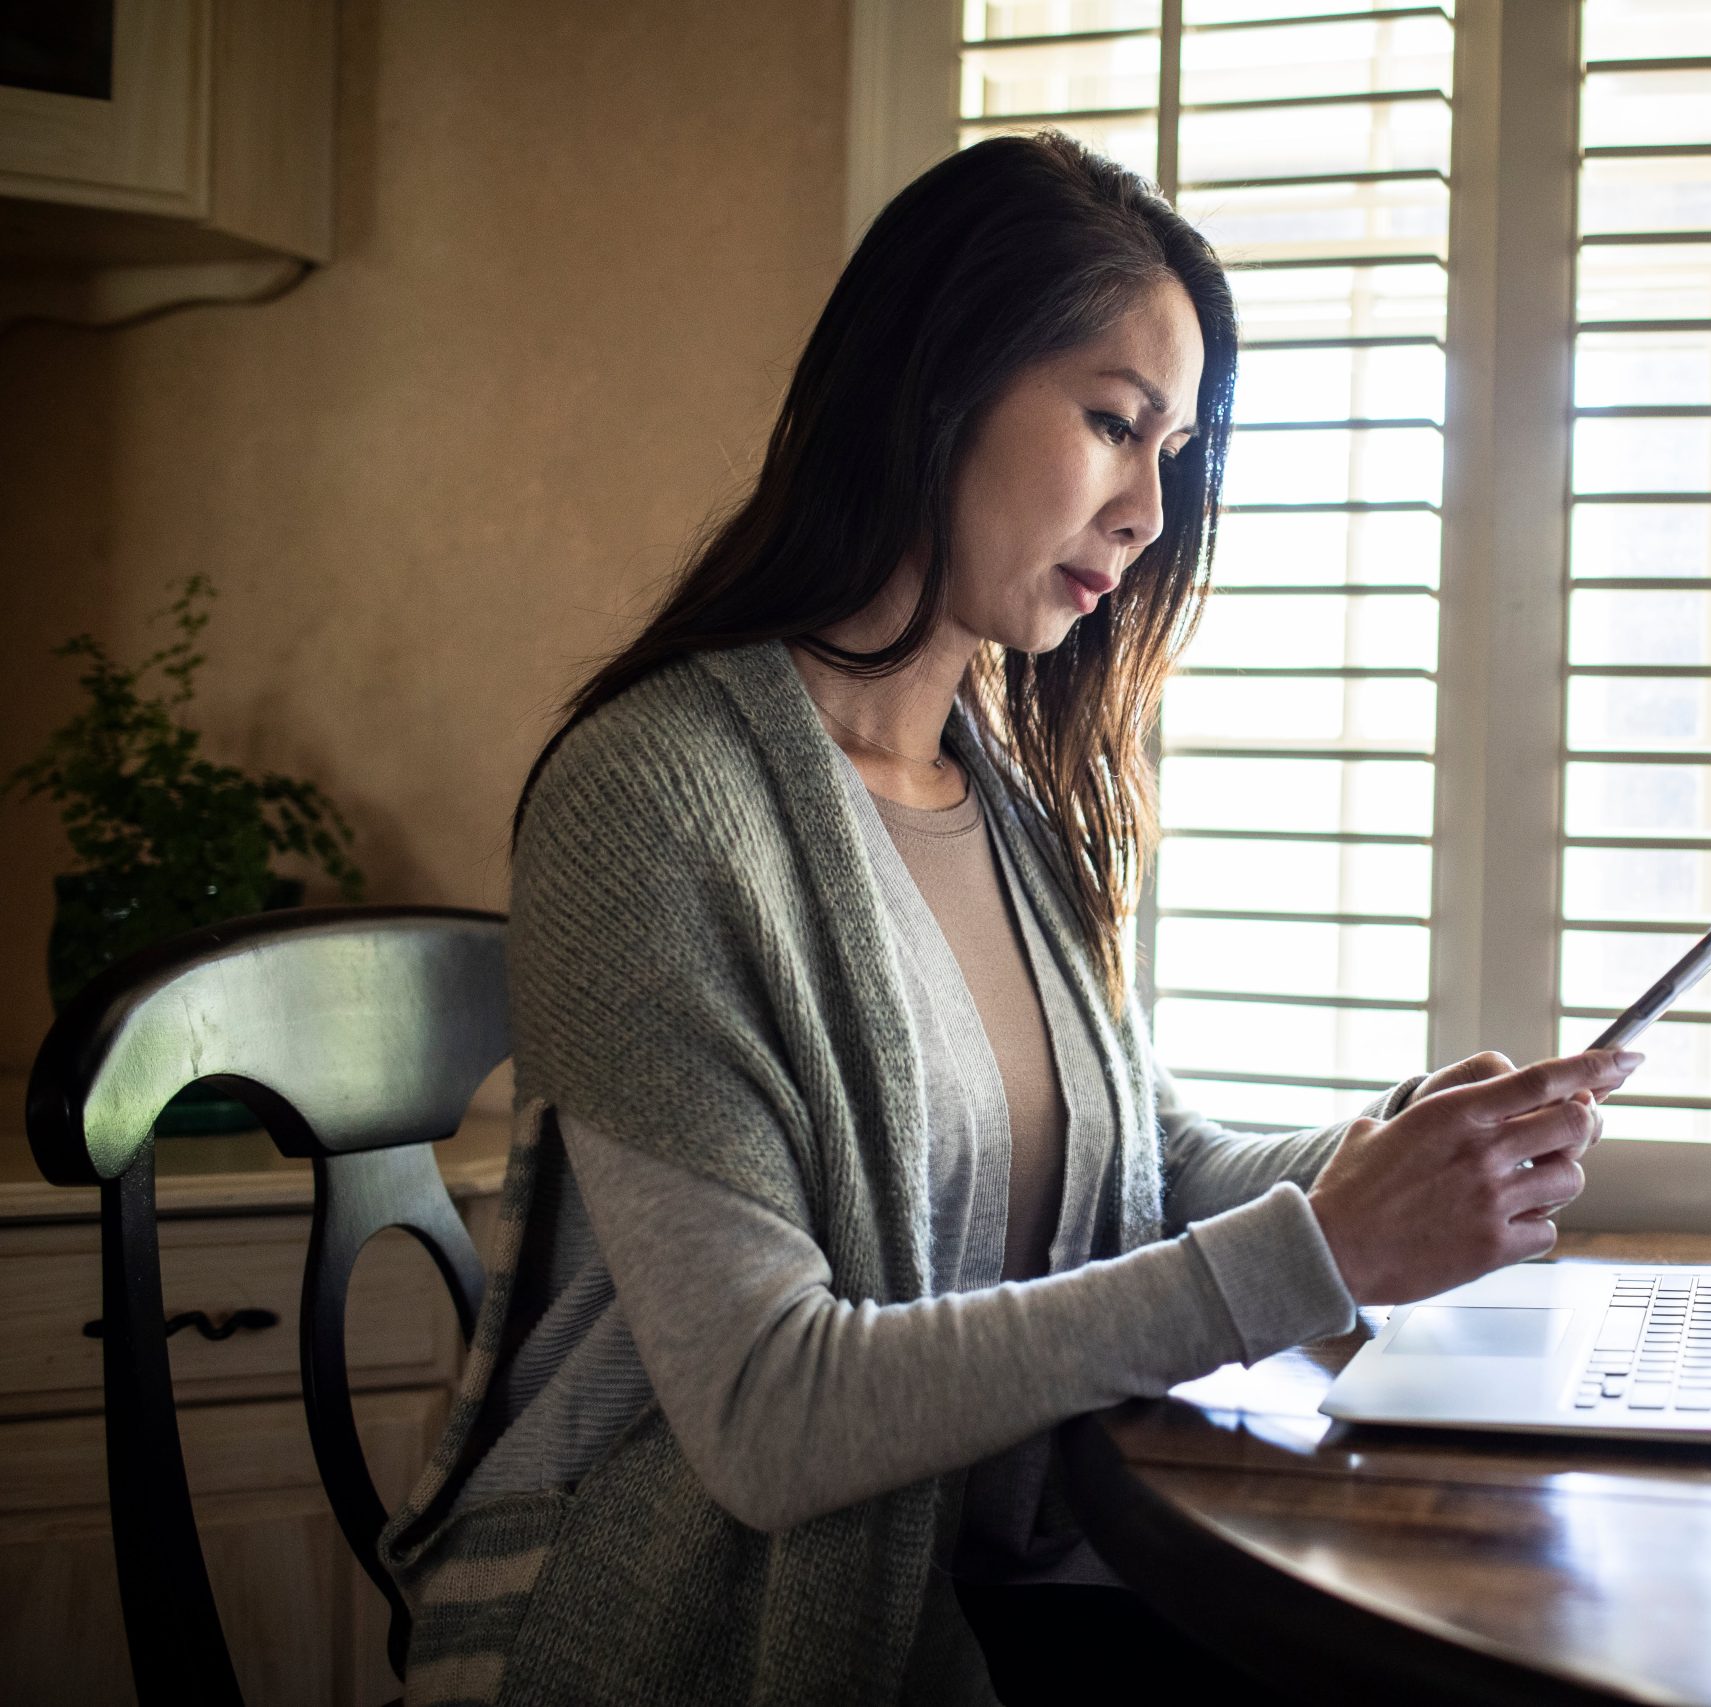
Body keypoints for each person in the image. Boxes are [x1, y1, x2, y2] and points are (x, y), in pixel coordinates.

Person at [382, 130, 1636, 1707]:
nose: (1149, 514)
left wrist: (1395, 1161)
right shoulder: (650, 802)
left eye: (1173, 454)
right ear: (935, 384)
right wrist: (1325, 1252)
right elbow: (772, 1414)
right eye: (1116, 424)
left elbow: (1149, 1173)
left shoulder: (998, 788)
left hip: (988, 1602)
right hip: (674, 1643)